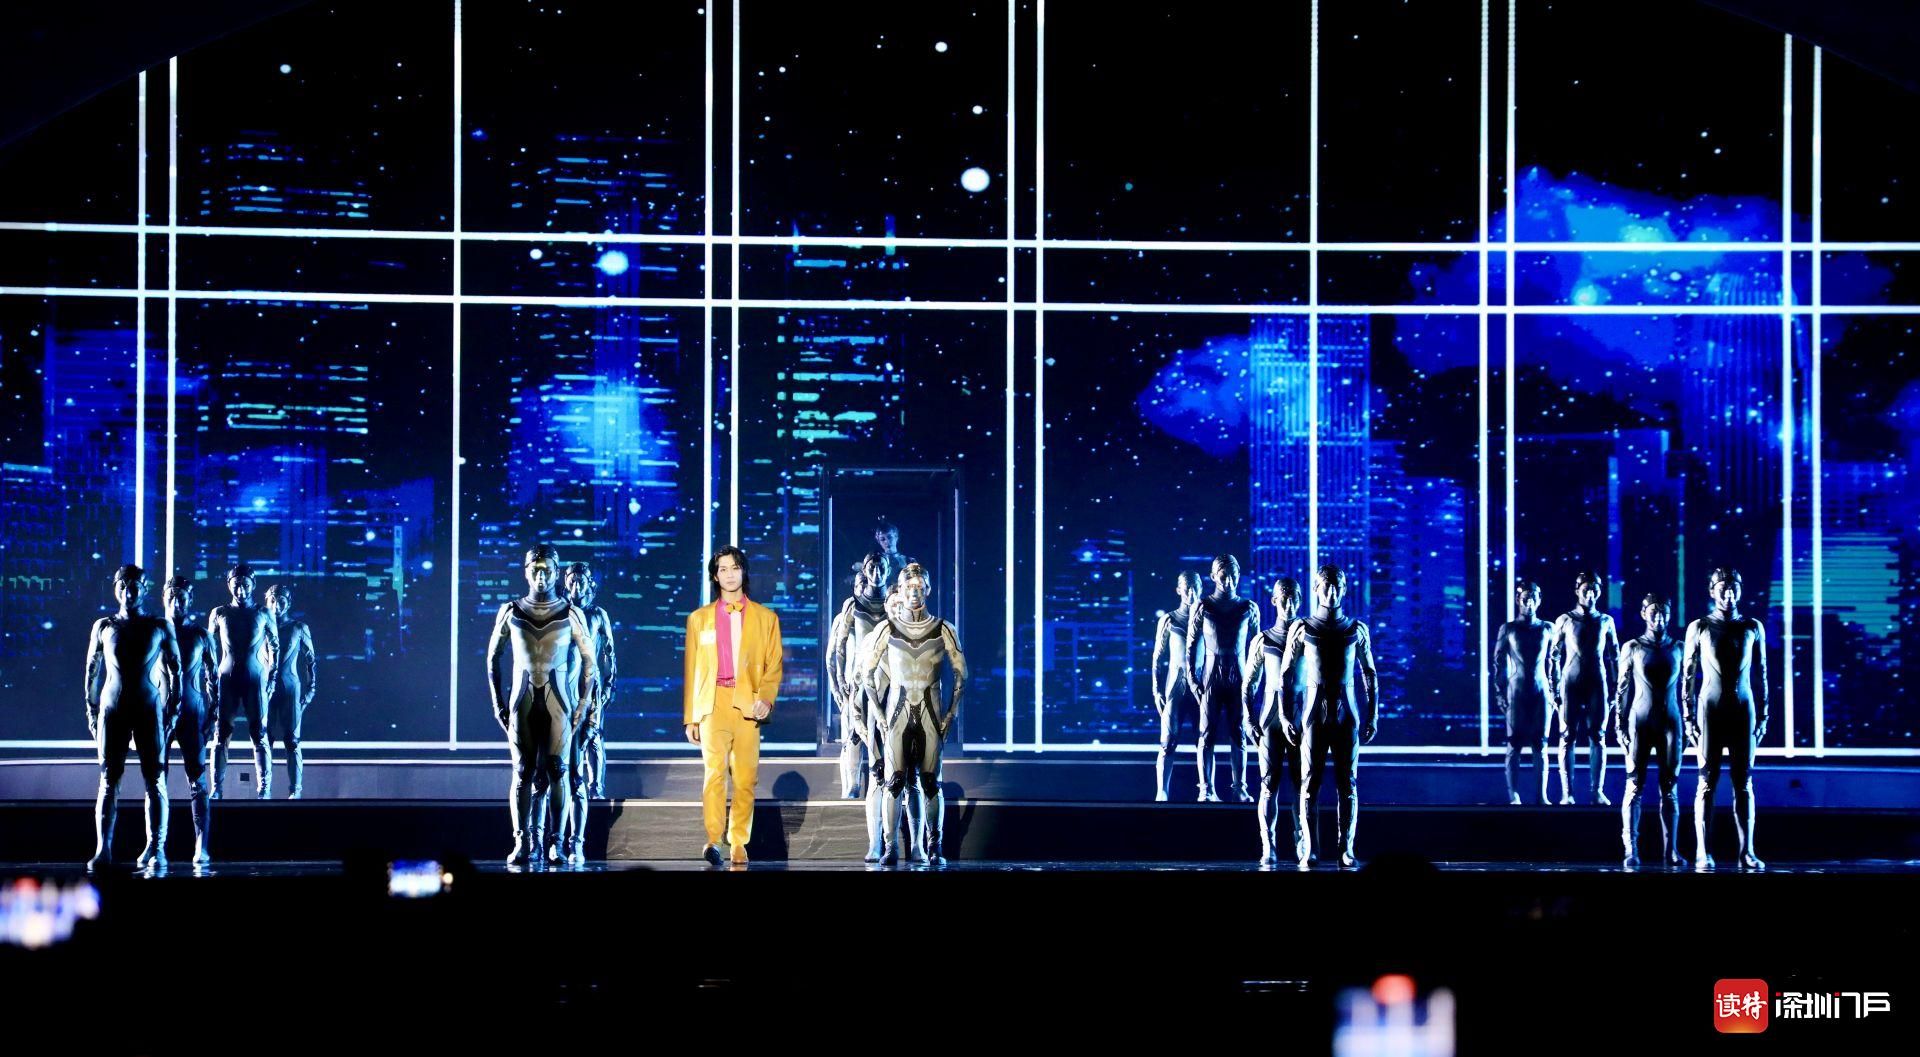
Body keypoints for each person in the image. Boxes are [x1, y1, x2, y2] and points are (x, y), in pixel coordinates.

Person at [488, 544, 599, 866]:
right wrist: (498, 703)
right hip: (522, 702)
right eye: (535, 570)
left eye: (547, 570)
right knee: (523, 771)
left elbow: (590, 662)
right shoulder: (511, 611)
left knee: (558, 770)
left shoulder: (570, 612)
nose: (541, 576)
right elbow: (492, 658)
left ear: (556, 572)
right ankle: (523, 841)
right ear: (526, 571)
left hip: (559, 704)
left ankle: (557, 843)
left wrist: (582, 706)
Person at [858, 562, 966, 865]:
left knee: (930, 782)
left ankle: (934, 847)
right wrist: (879, 715)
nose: (914, 592)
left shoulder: (943, 628)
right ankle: (890, 846)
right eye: (908, 587)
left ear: (927, 590)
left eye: (919, 587)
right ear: (901, 591)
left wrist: (950, 714)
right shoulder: (887, 629)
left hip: (930, 712)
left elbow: (961, 673)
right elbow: (867, 674)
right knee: (893, 781)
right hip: (897, 714)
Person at [683, 546, 784, 866]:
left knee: (745, 777)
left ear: (744, 572)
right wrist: (691, 717)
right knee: (714, 773)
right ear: (715, 576)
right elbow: (692, 669)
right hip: (712, 703)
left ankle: (739, 841)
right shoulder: (698, 619)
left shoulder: (766, 618)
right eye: (723, 569)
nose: (729, 574)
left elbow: (774, 665)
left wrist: (765, 698)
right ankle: (713, 839)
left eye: (735, 567)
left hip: (747, 703)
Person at [1277, 564, 1378, 868]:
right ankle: (1310, 847)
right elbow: (1285, 675)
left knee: (1348, 784)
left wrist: (1373, 715)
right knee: (1310, 784)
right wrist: (1285, 716)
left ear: (1344, 590)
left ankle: (1346, 848)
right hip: (1313, 715)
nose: (1331, 592)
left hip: (1347, 714)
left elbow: (1370, 674)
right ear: (1316, 589)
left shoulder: (1356, 629)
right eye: (1326, 586)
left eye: (1336, 586)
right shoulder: (1302, 628)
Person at [83, 565, 182, 871]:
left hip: (148, 709)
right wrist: (91, 709)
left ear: (144, 589)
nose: (128, 591)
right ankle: (103, 849)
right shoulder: (104, 626)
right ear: (116, 588)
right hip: (113, 709)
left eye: (134, 586)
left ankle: (157, 847)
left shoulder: (160, 626)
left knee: (155, 780)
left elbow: (176, 670)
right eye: (123, 585)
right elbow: (92, 670)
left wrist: (172, 710)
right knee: (108, 780)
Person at [1683, 567, 1769, 870]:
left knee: (1743, 783)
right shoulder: (1699, 627)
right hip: (1710, 711)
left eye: (1734, 588)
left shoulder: (1752, 627)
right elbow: (1688, 676)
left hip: (1743, 710)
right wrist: (1688, 717)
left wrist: (1764, 714)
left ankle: (1747, 851)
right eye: (1723, 588)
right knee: (1707, 782)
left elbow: (1761, 674)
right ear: (1712, 591)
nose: (1729, 593)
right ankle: (1702, 850)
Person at [827, 553, 894, 859]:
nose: (876, 572)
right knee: (854, 735)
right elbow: (838, 648)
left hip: (888, 683)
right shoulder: (853, 606)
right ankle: (851, 788)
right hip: (859, 682)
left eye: (881, 567)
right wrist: (838, 682)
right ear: (865, 571)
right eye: (872, 567)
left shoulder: (894, 603)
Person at [1612, 593, 1686, 869]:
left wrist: (1691, 722)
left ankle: (1671, 850)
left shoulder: (1679, 647)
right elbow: (1622, 689)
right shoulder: (1632, 647)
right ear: (1644, 614)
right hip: (1640, 722)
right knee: (1634, 785)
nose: (1659, 618)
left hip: (1670, 722)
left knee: (1670, 788)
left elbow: (1690, 688)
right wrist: (1619, 723)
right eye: (1654, 612)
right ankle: (1631, 848)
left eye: (1664, 612)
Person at [1242, 577, 1309, 865]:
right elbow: (1249, 683)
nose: (1289, 603)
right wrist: (1248, 718)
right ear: (1274, 600)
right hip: (1270, 719)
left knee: (1303, 786)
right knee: (1269, 785)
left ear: (1300, 600)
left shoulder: (1310, 637)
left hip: (1301, 718)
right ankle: (1268, 845)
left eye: (1294, 597)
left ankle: (1302, 840)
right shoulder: (1263, 639)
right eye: (1284, 597)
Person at [1182, 554, 1259, 802]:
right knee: (1207, 734)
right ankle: (1206, 788)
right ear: (1214, 577)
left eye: (1233, 576)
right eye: (1223, 576)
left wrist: (1255, 681)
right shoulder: (1203, 606)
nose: (1229, 581)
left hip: (1239, 676)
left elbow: (1257, 649)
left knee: (1239, 732)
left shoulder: (1248, 608)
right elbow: (1191, 645)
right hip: (1211, 676)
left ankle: (1240, 787)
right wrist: (1192, 679)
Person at [1547, 571, 1619, 805]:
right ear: (1577, 591)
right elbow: (1554, 656)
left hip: (1597, 682)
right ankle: (1567, 793)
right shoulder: (1565, 620)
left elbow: (1614, 656)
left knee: (1598, 735)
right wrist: (1554, 688)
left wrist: (1617, 687)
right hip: (1571, 683)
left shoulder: (1606, 621)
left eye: (1594, 590)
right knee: (1567, 735)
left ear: (1599, 592)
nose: (1590, 594)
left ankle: (1596, 791)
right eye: (1586, 589)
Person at [208, 564, 279, 799]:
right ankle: (217, 788)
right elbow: (209, 650)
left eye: (245, 585)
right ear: (229, 585)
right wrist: (210, 681)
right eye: (236, 585)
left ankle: (264, 788)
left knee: (259, 734)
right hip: (227, 678)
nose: (240, 590)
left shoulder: (263, 613)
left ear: (253, 585)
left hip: (255, 679)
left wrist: (272, 677)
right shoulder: (219, 613)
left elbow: (274, 647)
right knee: (221, 735)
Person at [163, 577, 217, 865]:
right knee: (156, 781)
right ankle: (156, 844)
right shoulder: (156, 632)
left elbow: (214, 678)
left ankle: (201, 845)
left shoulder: (201, 635)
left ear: (189, 600)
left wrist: (214, 715)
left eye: (181, 597)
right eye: (171, 597)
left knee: (197, 780)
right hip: (160, 713)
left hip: (193, 712)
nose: (176, 602)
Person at [563, 562, 617, 853]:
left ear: (589, 584)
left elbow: (609, 652)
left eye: (580, 580)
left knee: (594, 736)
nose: (576, 585)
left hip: (592, 686)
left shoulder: (597, 614)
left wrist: (609, 684)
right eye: (571, 580)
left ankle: (596, 786)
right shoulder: (560, 612)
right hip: (566, 688)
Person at [1490, 582, 1553, 805]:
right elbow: (1498, 664)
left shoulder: (1548, 628)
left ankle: (1541, 795)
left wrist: (1555, 692)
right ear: (1518, 600)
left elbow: (1555, 661)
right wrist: (1499, 692)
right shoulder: (1508, 629)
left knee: (1541, 744)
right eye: (1525, 598)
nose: (1529, 603)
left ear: (1539, 600)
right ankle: (1514, 795)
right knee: (1514, 744)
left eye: (1533, 598)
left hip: (1541, 691)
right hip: (1516, 692)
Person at [1147, 571, 1203, 801]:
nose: (1191, 593)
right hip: (1175, 688)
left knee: (1204, 742)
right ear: (1179, 590)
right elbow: (1157, 657)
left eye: (1195, 587)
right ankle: (1162, 791)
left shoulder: (1207, 620)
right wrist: (1156, 690)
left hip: (1200, 687)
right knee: (1168, 742)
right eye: (1187, 588)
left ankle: (1206, 789)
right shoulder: (1169, 620)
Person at [263, 584, 316, 799]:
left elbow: (311, 660)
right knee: (264, 741)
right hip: (266, 689)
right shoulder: (261, 627)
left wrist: (311, 690)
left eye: (281, 601)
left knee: (292, 741)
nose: (276, 605)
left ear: (289, 603)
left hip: (289, 687)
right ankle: (264, 789)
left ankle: (295, 790)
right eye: (273, 601)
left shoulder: (298, 627)